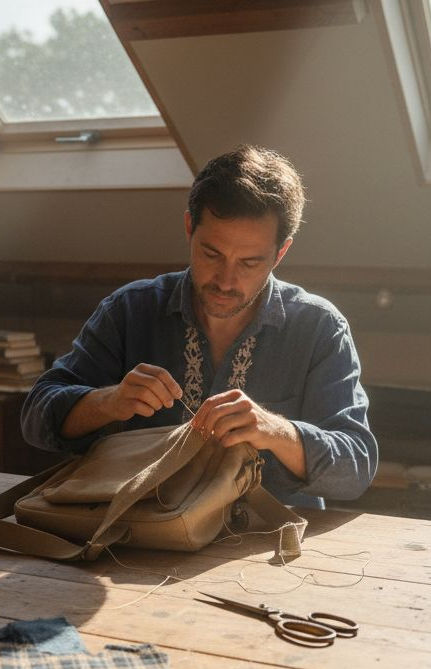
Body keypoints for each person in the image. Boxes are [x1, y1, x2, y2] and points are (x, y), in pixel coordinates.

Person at [21, 145, 376, 508]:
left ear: (280, 253)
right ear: (190, 228)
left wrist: (275, 431)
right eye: (212, 254)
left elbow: (356, 468)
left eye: (250, 263)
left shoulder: (319, 327)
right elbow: (35, 417)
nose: (226, 280)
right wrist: (108, 401)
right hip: (141, 539)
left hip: (269, 550)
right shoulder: (131, 310)